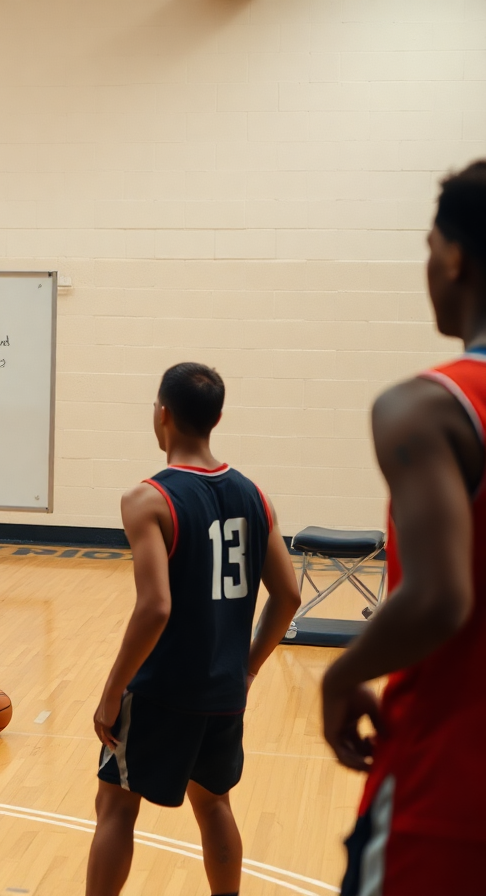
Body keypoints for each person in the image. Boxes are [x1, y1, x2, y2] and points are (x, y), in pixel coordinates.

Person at [323, 161, 486, 895]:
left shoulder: (429, 406)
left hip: (452, 780)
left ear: (452, 256)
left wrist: (344, 670)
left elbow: (440, 597)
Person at [86, 362, 302, 896]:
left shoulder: (148, 498)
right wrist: (248, 668)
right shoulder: (256, 495)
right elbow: (290, 595)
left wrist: (112, 692)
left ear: (161, 414)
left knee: (114, 805)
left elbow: (155, 607)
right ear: (218, 418)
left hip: (163, 689)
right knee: (214, 805)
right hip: (224, 689)